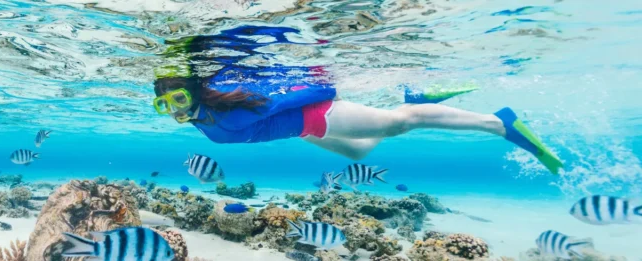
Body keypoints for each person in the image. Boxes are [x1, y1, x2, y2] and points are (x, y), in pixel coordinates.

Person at [151, 27, 563, 174]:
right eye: (163, 104)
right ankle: (415, 96)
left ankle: (499, 122)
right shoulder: (208, 118)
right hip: (306, 130)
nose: (174, 109)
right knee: (359, 155)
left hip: (320, 114)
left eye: (179, 96)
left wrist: (321, 86)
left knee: (400, 123)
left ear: (197, 87)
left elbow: (318, 92)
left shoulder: (235, 101)